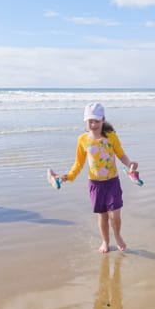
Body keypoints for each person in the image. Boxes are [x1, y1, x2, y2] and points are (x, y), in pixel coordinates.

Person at [59, 103, 138, 253]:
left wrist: (130, 165)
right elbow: (79, 163)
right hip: (96, 184)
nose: (93, 124)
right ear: (85, 122)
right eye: (90, 121)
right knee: (102, 216)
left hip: (112, 182)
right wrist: (69, 176)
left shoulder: (111, 137)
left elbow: (121, 154)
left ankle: (117, 235)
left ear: (103, 120)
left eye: (96, 121)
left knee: (114, 215)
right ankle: (105, 241)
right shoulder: (83, 140)